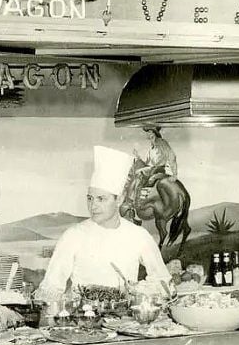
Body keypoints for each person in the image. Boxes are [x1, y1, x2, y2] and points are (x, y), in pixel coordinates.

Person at [35, 145, 171, 305]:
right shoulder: (73, 235)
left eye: (101, 199)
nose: (93, 206)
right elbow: (50, 288)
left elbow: (163, 282)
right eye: (90, 198)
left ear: (119, 200)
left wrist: (143, 291)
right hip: (83, 322)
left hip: (126, 321)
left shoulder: (138, 235)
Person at [134, 125, 177, 190]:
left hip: (159, 170)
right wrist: (138, 157)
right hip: (152, 170)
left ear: (153, 133)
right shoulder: (152, 147)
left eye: (148, 131)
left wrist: (174, 174)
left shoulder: (161, 143)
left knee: (138, 175)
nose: (147, 134)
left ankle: (135, 198)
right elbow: (147, 163)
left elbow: (171, 156)